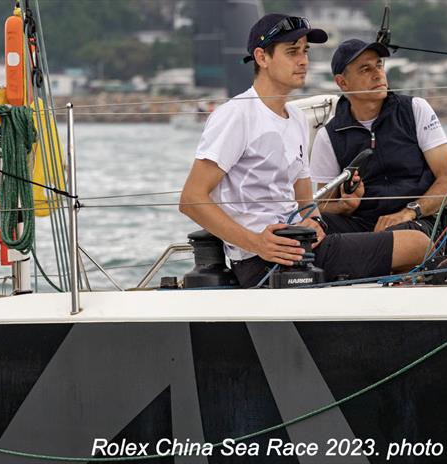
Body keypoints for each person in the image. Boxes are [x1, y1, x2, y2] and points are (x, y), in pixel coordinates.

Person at [179, 14, 428, 288]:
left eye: (305, 51)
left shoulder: (296, 118)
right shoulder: (237, 114)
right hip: (262, 259)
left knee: (409, 237)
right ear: (262, 57)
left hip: (300, 245)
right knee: (417, 244)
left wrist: (315, 223)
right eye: (292, 52)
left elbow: (305, 204)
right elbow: (192, 199)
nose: (303, 60)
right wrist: (257, 243)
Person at [310, 39, 447, 235]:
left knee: (404, 236)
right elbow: (324, 205)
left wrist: (409, 212)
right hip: (362, 225)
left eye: (379, 65)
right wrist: (345, 206)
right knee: (311, 225)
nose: (377, 74)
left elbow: (446, 177)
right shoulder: (328, 135)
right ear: (342, 83)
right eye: (365, 69)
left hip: (418, 220)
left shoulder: (415, 109)